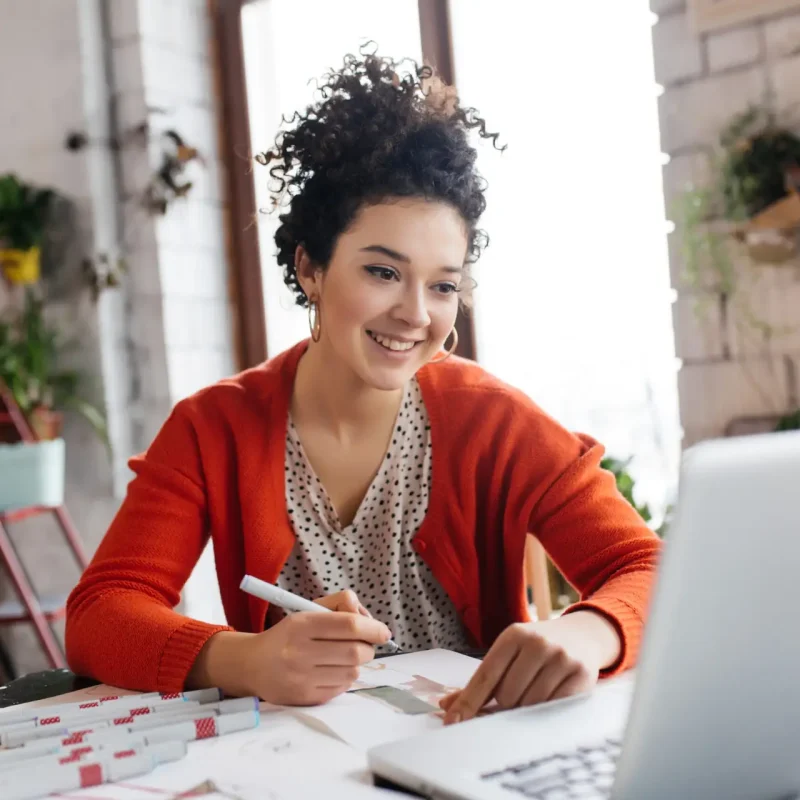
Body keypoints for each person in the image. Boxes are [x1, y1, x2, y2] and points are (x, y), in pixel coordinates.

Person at [66, 52, 661, 725]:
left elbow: (650, 567)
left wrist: (588, 631)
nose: (416, 313)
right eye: (383, 272)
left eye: (442, 285)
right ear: (311, 268)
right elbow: (100, 612)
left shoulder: (496, 423)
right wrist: (245, 660)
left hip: (472, 757)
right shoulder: (214, 428)